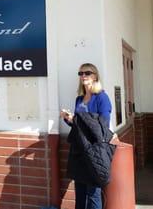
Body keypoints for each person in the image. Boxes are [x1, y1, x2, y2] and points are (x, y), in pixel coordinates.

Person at [60, 63, 113, 209]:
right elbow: (78, 127)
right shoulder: (79, 99)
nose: (83, 76)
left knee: (93, 193)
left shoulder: (102, 98)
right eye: (81, 73)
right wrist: (69, 119)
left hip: (94, 151)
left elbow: (103, 126)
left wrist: (77, 120)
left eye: (87, 73)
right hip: (79, 151)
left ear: (95, 76)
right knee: (80, 192)